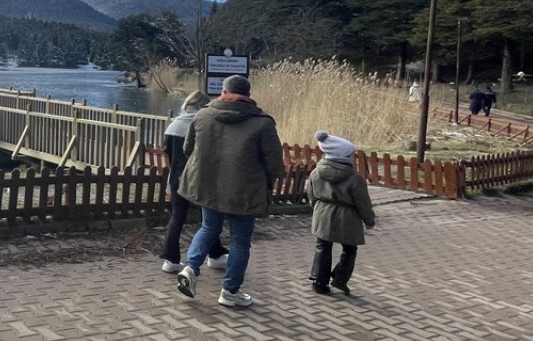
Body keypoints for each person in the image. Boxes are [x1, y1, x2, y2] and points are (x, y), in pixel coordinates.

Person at [175, 75, 285, 308]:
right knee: (240, 241)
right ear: (249, 94)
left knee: (208, 228)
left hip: (208, 185)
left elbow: (188, 149)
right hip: (244, 189)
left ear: (223, 92)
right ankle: (229, 291)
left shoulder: (202, 115)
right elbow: (274, 162)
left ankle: (190, 267)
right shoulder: (263, 123)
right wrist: (270, 180)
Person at [159, 91, 228, 274]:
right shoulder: (203, 125)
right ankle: (215, 256)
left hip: (176, 179)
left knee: (177, 218)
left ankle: (170, 258)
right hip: (198, 178)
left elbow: (169, 156)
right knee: (209, 220)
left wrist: (169, 184)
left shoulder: (173, 125)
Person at [308, 131, 375, 296]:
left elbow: (311, 195)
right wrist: (369, 220)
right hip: (348, 217)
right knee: (350, 248)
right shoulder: (355, 179)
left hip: (323, 213)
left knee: (322, 247)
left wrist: (317, 209)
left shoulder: (316, 173)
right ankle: (339, 278)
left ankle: (319, 282)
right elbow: (363, 203)